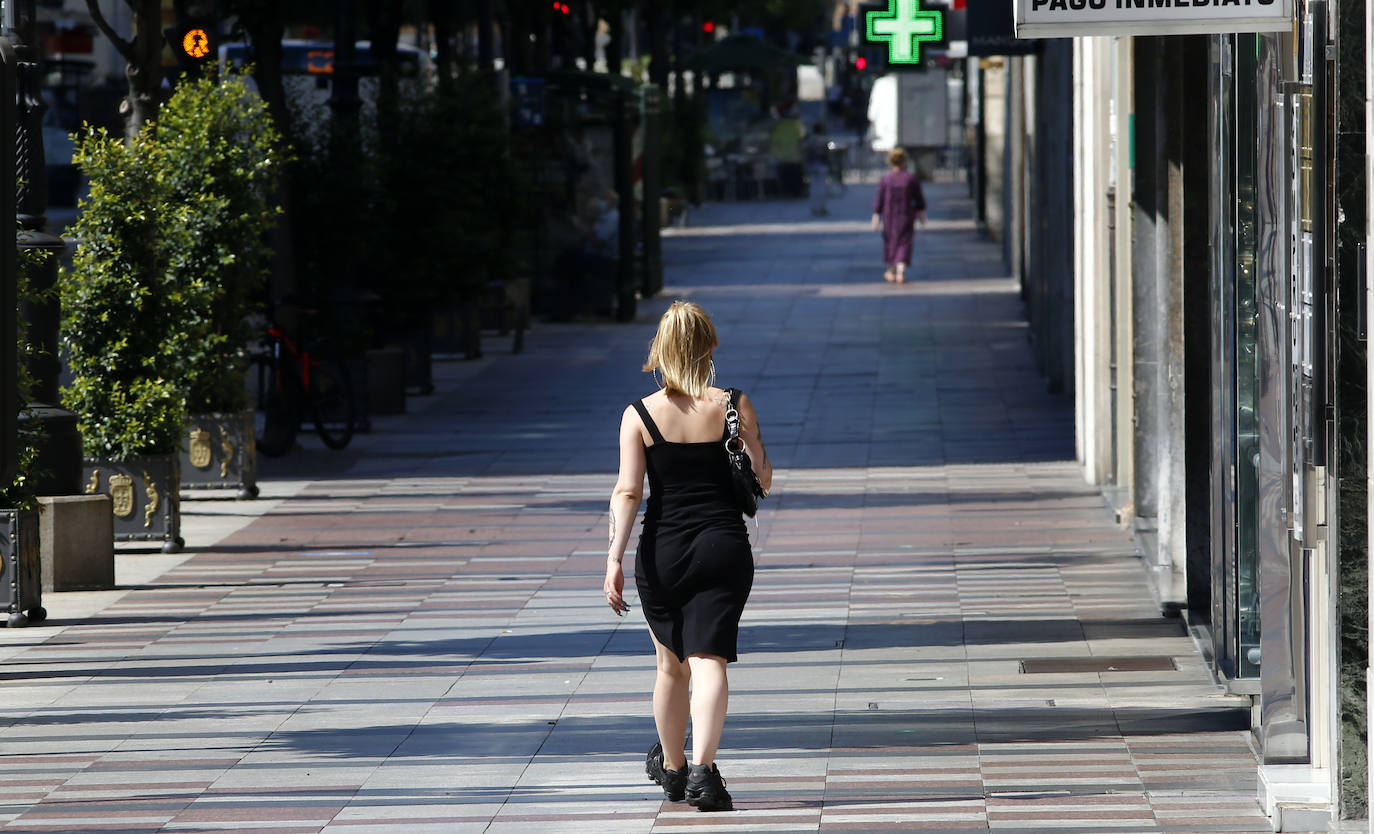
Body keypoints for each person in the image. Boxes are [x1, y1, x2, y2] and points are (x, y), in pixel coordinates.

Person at [604, 301, 772, 813]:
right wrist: (748, 445)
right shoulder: (733, 405)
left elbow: (628, 492)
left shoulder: (638, 414)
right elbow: (763, 480)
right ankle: (703, 771)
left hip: (663, 550)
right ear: (711, 347)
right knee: (710, 658)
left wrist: (613, 558)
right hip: (724, 546)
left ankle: (674, 771)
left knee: (671, 666)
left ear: (659, 352)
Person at [871, 147, 928, 283]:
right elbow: (918, 198)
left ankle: (891, 270)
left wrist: (876, 216)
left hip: (889, 215)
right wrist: (922, 214)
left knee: (891, 241)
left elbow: (880, 198)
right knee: (905, 241)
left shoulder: (886, 179)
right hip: (906, 214)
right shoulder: (910, 178)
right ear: (904, 162)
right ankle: (900, 272)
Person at [805, 122, 831, 217]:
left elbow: (806, 153)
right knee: (822, 187)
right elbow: (827, 154)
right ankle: (822, 207)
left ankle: (814, 207)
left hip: (812, 164)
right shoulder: (824, 140)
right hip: (822, 164)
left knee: (813, 187)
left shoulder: (810, 140)